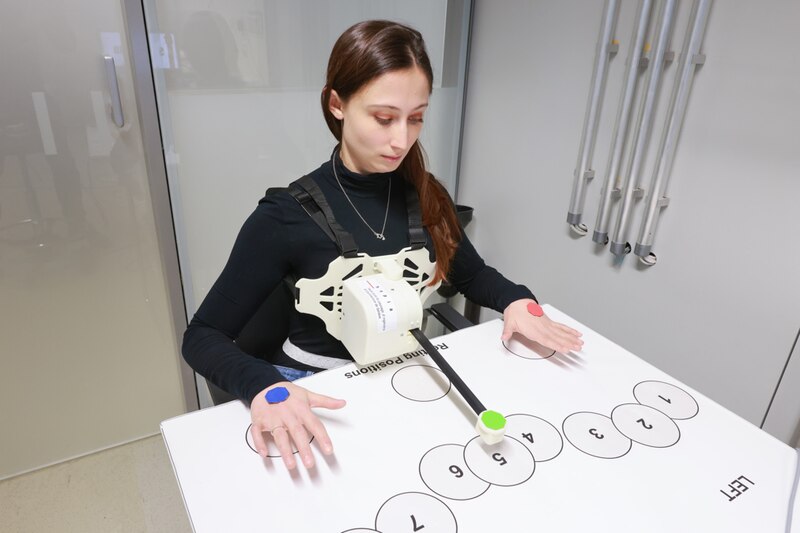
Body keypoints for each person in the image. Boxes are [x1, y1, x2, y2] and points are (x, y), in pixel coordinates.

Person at [182, 19, 582, 471]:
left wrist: (515, 302)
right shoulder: (285, 215)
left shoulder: (427, 193)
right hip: (316, 389)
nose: (402, 140)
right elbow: (202, 336)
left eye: (416, 118)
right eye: (384, 118)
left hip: (407, 375)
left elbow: (471, 275)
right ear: (337, 104)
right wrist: (263, 386)